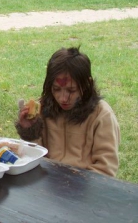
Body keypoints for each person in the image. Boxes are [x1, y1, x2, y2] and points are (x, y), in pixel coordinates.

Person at [15, 47, 120, 177]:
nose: (63, 98)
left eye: (71, 90)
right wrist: (30, 131)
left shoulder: (101, 115)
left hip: (85, 186)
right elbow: (31, 158)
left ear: (87, 84)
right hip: (46, 182)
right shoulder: (42, 109)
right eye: (56, 89)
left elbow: (105, 170)